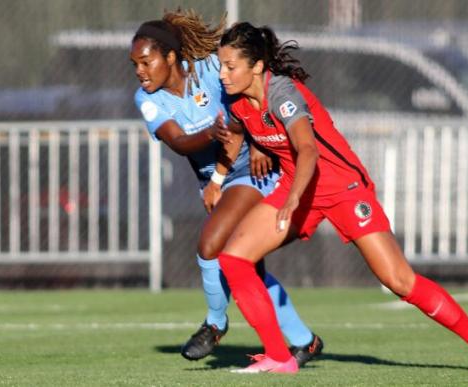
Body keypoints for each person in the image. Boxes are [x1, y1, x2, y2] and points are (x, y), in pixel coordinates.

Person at [215, 22, 468, 374]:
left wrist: (293, 199)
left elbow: (308, 150)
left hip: (340, 188)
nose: (222, 74)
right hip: (295, 186)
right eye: (221, 65)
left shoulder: (282, 93)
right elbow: (239, 129)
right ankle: (279, 357)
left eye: (230, 66)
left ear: (257, 66)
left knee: (399, 280)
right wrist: (222, 175)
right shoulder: (236, 100)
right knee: (234, 258)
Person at [130, 10, 323, 366]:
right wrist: (212, 141)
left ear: (170, 57)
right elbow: (179, 142)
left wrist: (263, 144)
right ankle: (304, 340)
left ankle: (215, 323)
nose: (140, 70)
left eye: (146, 61)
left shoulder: (208, 70)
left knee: (209, 245)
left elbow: (254, 96)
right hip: (217, 180)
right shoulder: (147, 99)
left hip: (253, 171)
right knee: (248, 268)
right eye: (135, 64)